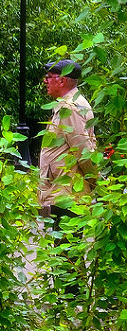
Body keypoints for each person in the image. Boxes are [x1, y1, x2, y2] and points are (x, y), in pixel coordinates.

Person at [39, 58, 97, 220]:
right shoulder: (69, 104)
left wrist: (95, 182)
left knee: (66, 243)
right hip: (65, 192)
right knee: (63, 243)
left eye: (49, 77)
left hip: (69, 195)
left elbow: (83, 151)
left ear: (62, 80)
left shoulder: (70, 108)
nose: (45, 81)